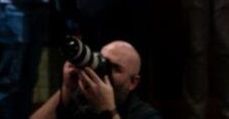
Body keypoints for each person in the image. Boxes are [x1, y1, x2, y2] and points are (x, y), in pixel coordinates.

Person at [29, 41, 161, 119]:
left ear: (133, 82)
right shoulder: (79, 99)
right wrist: (67, 88)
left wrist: (108, 111)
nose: (104, 72)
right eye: (102, 62)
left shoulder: (144, 114)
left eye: (115, 68)